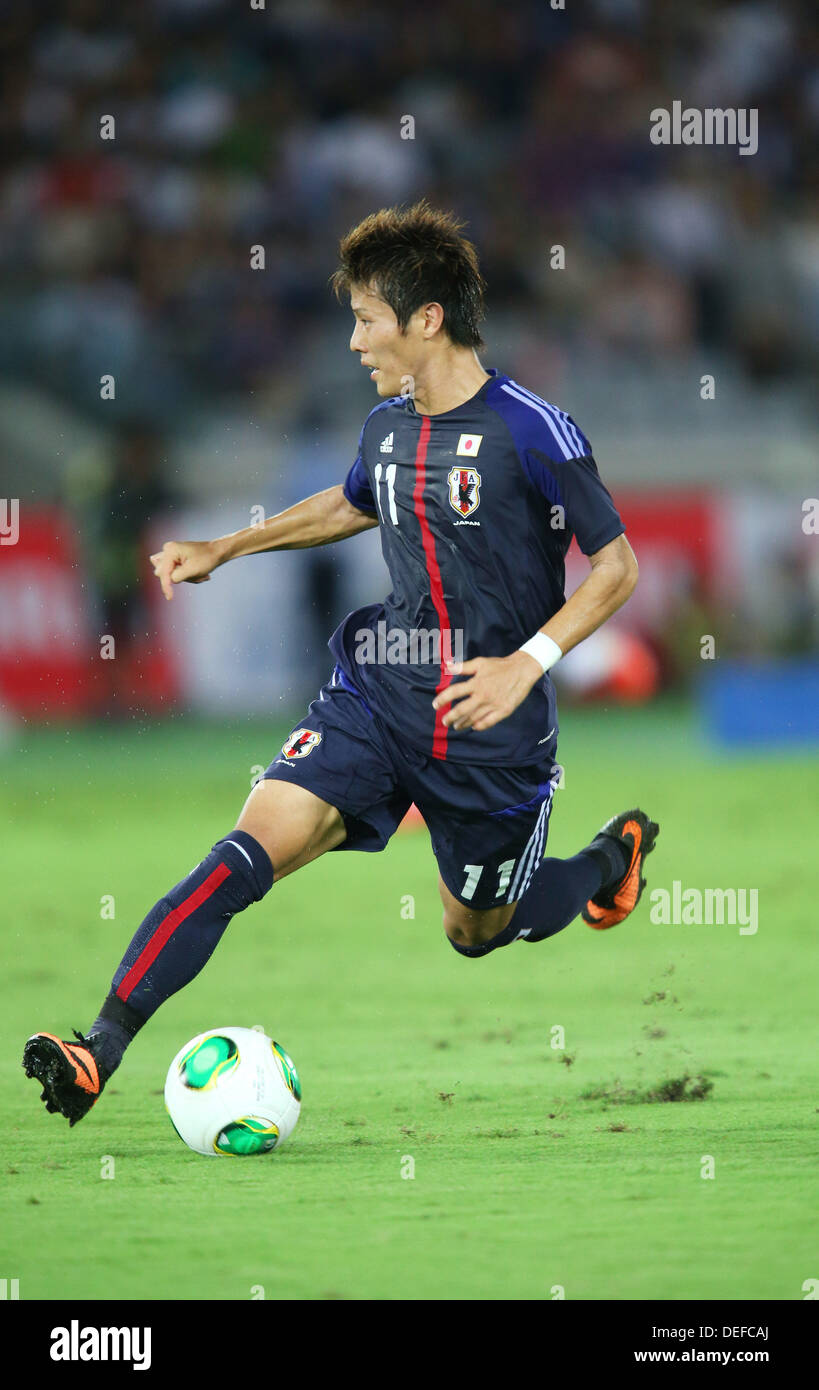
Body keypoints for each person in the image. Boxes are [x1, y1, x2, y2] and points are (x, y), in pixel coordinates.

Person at [23, 201, 658, 1126]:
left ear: (426, 319)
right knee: (244, 853)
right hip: (378, 690)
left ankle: (607, 859)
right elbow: (350, 503)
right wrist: (227, 546)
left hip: (492, 727)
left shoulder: (533, 431)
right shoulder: (387, 427)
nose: (356, 341)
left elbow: (618, 566)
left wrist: (526, 663)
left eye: (367, 319)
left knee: (475, 931)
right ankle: (98, 1047)